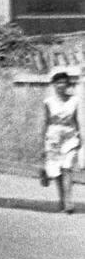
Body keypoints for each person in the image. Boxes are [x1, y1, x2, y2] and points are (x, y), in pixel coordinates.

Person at [41, 67, 82, 214]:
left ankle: (69, 203)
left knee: (67, 168)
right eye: (58, 82)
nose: (61, 85)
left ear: (67, 84)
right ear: (54, 84)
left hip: (70, 139)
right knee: (56, 172)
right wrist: (42, 144)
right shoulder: (48, 102)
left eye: (64, 82)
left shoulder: (74, 101)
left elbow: (77, 121)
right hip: (53, 141)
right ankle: (62, 201)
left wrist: (80, 139)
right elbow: (46, 122)